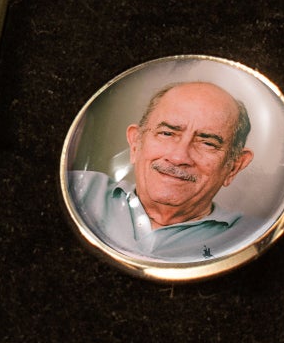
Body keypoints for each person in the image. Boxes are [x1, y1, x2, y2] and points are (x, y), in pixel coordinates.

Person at [68, 79, 253, 264]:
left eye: (207, 143)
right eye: (167, 133)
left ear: (234, 166)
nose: (179, 157)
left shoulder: (248, 238)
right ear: (135, 144)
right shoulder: (75, 191)